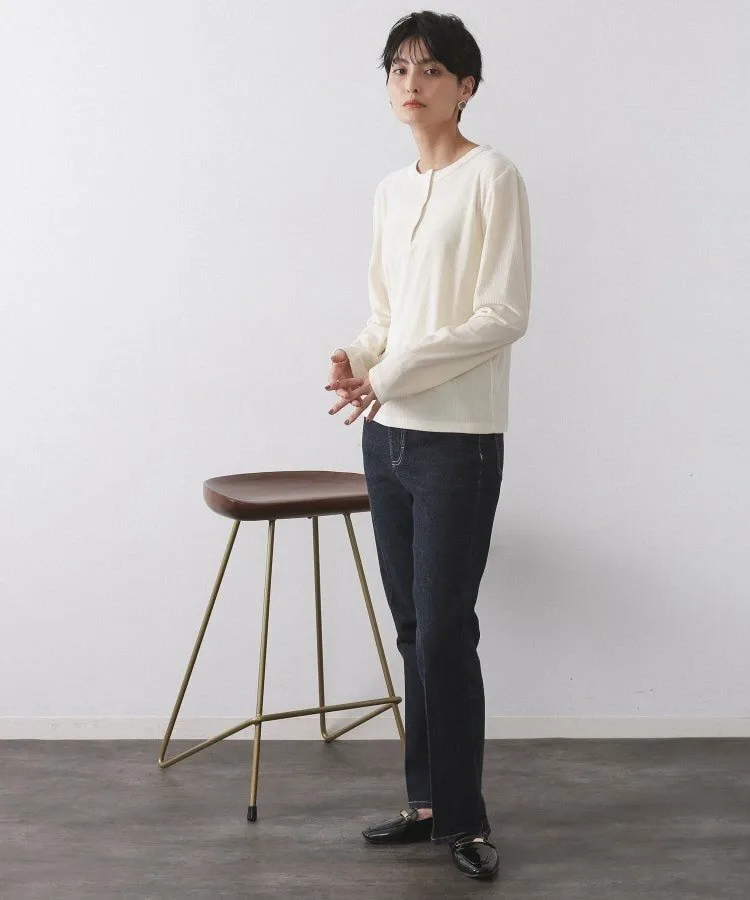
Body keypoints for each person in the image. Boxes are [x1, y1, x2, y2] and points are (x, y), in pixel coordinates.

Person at [324, 10, 531, 882]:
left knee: (446, 630)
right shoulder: (390, 190)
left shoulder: (494, 177)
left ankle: (465, 819)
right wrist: (357, 356)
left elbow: (503, 314)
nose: (412, 83)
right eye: (399, 69)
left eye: (432, 70)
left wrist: (396, 368)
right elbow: (387, 313)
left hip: (457, 442)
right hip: (387, 439)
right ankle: (426, 803)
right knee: (414, 629)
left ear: (466, 86)